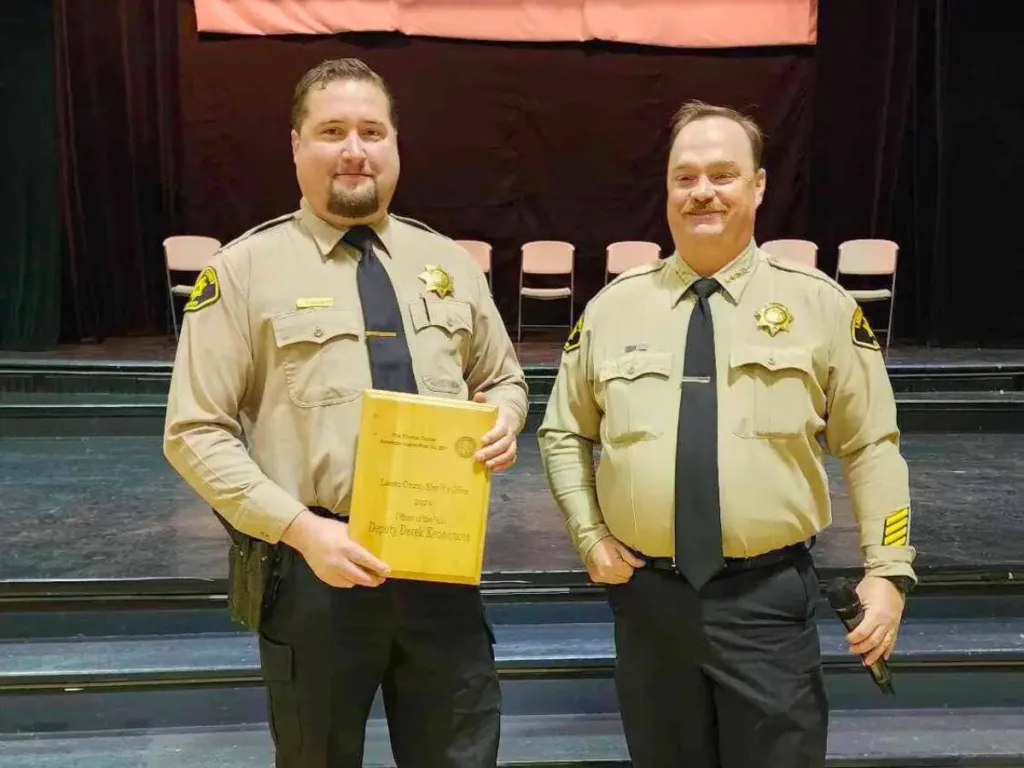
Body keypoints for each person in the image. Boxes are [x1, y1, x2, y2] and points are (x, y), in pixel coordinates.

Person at [164, 58, 528, 768]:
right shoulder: (242, 272)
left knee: (460, 755)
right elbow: (194, 431)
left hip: (442, 567)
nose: (355, 149)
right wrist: (300, 532)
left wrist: (506, 419)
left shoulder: (447, 262)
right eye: (332, 131)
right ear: (296, 145)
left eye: (372, 131)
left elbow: (504, 378)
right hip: (314, 570)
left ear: (395, 146)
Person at [537, 101, 917, 768]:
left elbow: (871, 446)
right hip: (649, 604)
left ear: (759, 185)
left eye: (722, 174)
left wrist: (888, 570)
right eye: (685, 177)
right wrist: (588, 533)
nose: (702, 191)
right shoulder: (611, 308)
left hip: (765, 601)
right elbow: (564, 431)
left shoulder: (820, 306)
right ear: (666, 188)